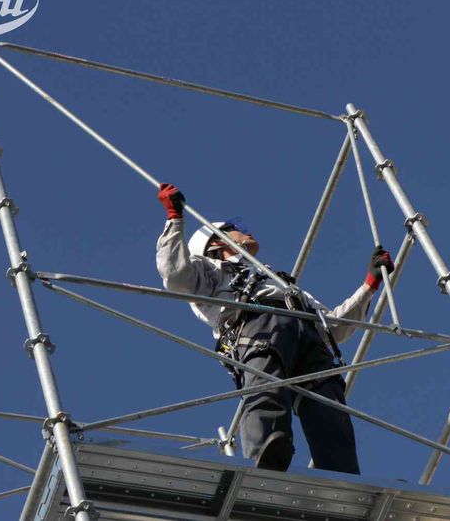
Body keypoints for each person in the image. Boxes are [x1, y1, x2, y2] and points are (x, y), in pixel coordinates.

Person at [154, 183, 394, 475]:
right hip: (258, 325)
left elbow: (333, 327)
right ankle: (265, 456)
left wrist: (369, 285)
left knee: (327, 402)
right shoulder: (209, 270)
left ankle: (341, 473)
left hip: (304, 327)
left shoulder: (277, 281)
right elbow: (175, 275)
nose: (245, 231)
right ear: (216, 241)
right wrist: (174, 218)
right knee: (266, 385)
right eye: (235, 228)